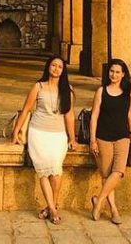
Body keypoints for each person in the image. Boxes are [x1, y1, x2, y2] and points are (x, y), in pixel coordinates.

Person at [10, 55, 78, 225]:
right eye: (53, 65)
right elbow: (26, 110)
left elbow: (69, 115)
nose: (56, 69)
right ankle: (54, 209)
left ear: (63, 71)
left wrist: (73, 138)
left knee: (55, 168)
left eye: (60, 67)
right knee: (43, 170)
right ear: (48, 67)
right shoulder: (38, 86)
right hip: (38, 132)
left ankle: (49, 206)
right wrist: (16, 132)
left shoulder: (67, 90)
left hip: (58, 134)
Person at [89, 58, 131, 224]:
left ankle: (99, 200)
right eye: (111, 71)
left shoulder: (130, 90)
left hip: (122, 135)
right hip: (103, 136)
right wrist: (92, 140)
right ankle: (114, 209)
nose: (114, 74)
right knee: (107, 175)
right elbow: (94, 116)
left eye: (117, 72)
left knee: (118, 171)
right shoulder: (101, 91)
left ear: (123, 74)